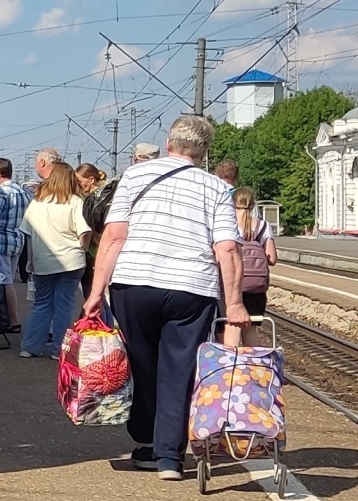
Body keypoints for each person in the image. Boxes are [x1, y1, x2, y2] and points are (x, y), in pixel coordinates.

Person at [81, 114, 249, 479]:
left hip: (134, 285)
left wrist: (96, 291)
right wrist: (234, 303)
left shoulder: (134, 176)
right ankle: (169, 457)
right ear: (204, 152)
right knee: (179, 368)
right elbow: (228, 249)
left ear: (169, 143)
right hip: (191, 288)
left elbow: (112, 237)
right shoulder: (216, 188)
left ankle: (144, 445)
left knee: (141, 365)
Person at [20, 163, 88, 358]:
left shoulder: (37, 203)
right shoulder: (75, 202)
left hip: (43, 261)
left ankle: (30, 346)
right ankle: (60, 349)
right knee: (64, 304)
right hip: (71, 261)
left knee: (42, 304)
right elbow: (84, 232)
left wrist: (30, 260)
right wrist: (83, 249)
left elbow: (30, 234)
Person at [75, 162, 114, 296]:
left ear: (91, 180)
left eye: (79, 181)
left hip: (95, 251)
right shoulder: (107, 196)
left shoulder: (93, 200)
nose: (77, 185)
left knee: (93, 294)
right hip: (104, 249)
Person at [234, 187, 275, 316]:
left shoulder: (228, 225)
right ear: (253, 205)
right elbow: (272, 259)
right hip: (256, 288)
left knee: (231, 328)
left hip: (233, 287)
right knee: (251, 329)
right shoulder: (264, 226)